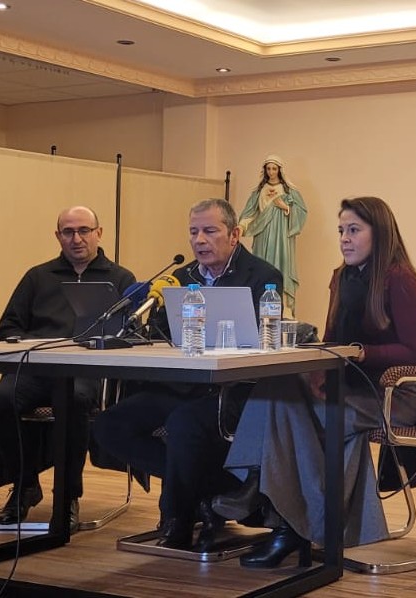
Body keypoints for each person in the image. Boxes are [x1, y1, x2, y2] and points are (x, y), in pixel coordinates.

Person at [214, 196, 416, 568]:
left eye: (354, 230)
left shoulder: (400, 278)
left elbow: (415, 350)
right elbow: (331, 339)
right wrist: (314, 371)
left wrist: (362, 353)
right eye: (341, 230)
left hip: (388, 393)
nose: (344, 238)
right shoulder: (342, 277)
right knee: (278, 388)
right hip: (344, 384)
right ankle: (266, 495)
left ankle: (281, 518)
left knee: (295, 418)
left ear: (380, 234)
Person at [91, 197, 283, 551]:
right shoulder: (180, 277)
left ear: (234, 235)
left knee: (183, 424)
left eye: (210, 231)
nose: (199, 240)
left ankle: (177, 518)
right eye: (193, 232)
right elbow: (164, 333)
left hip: (231, 390)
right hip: (182, 385)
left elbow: (261, 340)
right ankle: (220, 488)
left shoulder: (262, 276)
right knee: (109, 425)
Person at [0, 206, 136, 533]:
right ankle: (25, 484)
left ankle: (67, 495)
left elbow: (131, 335)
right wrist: (27, 343)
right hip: (37, 368)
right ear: (58, 236)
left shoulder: (120, 279)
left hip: (85, 372)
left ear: (99, 233)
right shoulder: (38, 277)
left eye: (84, 230)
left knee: (74, 400)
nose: (76, 238)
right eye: (68, 232)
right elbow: (7, 327)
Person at [238, 155, 307, 316]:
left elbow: (301, 212)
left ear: (280, 170)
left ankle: (284, 310)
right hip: (263, 235)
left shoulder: (289, 190)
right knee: (261, 268)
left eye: (274, 169)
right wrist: (241, 226)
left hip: (281, 236)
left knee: (281, 267)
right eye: (268, 169)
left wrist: (285, 207)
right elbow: (249, 212)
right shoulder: (259, 191)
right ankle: (260, 306)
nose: (271, 172)